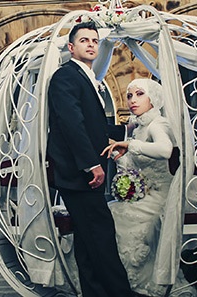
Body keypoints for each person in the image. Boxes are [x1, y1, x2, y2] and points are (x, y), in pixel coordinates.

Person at [47, 22, 134, 297]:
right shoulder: (66, 76)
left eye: (95, 40)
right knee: (101, 235)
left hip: (82, 172)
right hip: (79, 173)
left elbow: (91, 125)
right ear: (71, 47)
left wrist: (120, 138)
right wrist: (91, 164)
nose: (91, 44)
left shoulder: (85, 77)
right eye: (84, 40)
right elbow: (72, 123)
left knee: (87, 241)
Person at [102, 79, 196, 297]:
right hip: (148, 193)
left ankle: (147, 281)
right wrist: (119, 155)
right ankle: (122, 278)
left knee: (119, 214)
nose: (133, 100)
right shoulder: (140, 127)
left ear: (153, 98)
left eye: (140, 94)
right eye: (129, 95)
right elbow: (137, 164)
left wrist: (129, 145)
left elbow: (164, 151)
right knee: (112, 210)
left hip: (163, 194)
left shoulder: (158, 124)